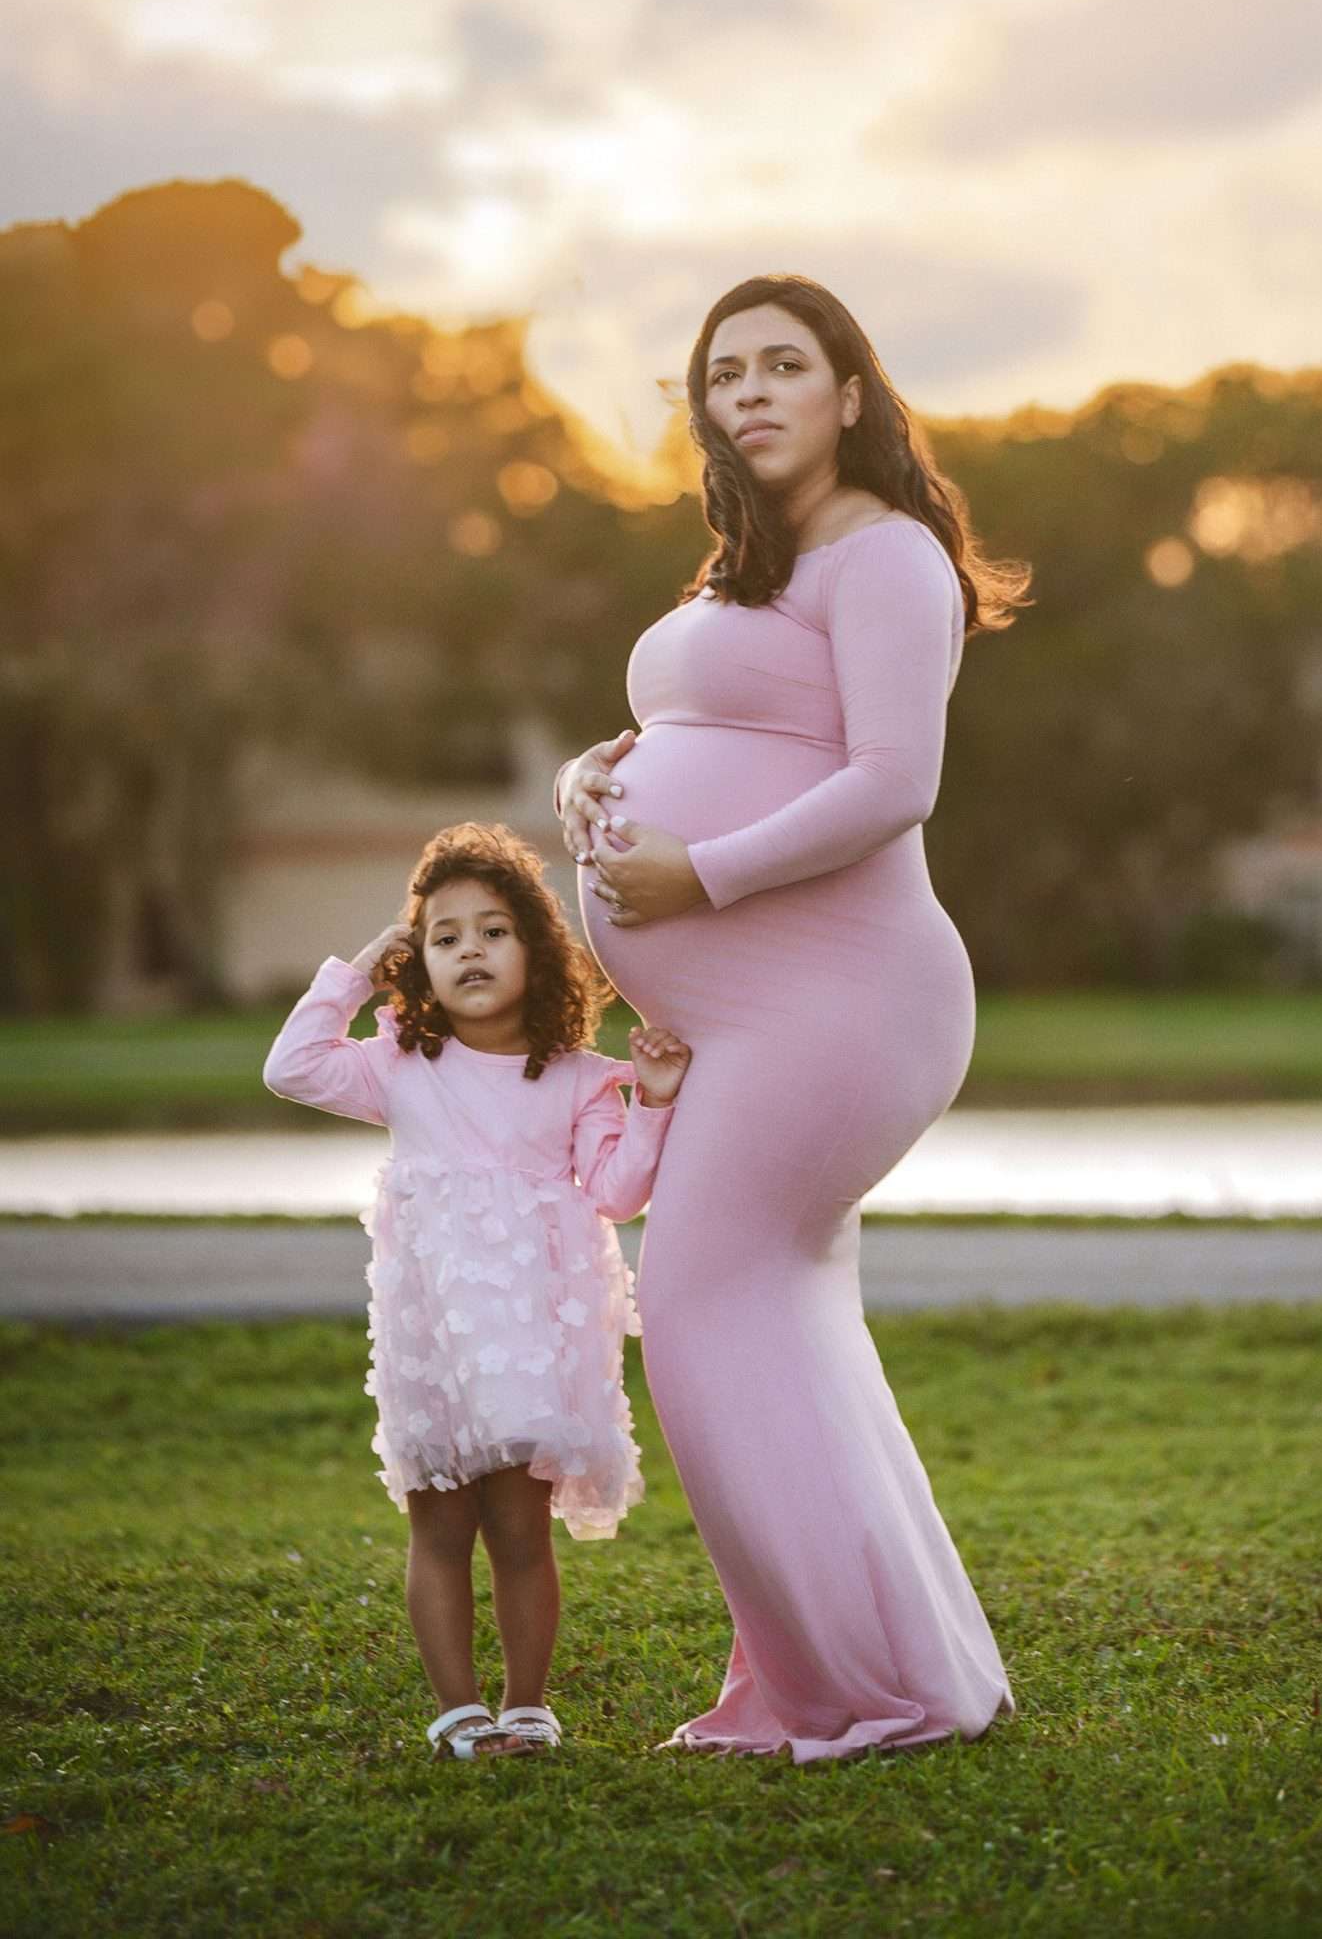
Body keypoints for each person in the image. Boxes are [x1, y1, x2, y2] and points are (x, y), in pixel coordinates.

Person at [555, 272, 1029, 1764]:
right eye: (723, 373)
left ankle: (866, 1690)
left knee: (702, 1311)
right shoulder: (754, 566)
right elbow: (707, 726)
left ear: (848, 394)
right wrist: (591, 780)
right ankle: (862, 1675)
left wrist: (696, 872)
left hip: (845, 1003)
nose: (747, 392)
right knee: (783, 1323)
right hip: (758, 1014)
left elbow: (894, 781)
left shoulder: (884, 554)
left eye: (780, 365)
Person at [261, 820, 690, 1761]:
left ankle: (526, 1705)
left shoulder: (578, 1080)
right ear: (416, 964)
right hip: (435, 1340)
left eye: (493, 932)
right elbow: (289, 1068)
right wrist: (354, 976)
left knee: (520, 1528)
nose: (470, 951)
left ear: (537, 951)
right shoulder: (399, 1066)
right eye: (444, 937)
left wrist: (653, 1101)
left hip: (532, 1338)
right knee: (442, 1522)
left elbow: (618, 1193)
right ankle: (458, 1711)